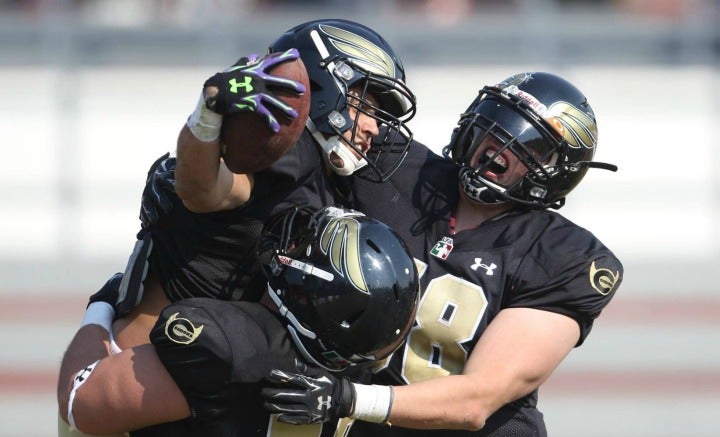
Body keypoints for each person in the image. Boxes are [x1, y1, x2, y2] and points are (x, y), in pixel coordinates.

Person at [57, 18, 417, 435]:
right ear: (323, 86)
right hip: (148, 372)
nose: (374, 126)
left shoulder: (326, 175)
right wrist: (208, 115)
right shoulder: (288, 154)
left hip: (211, 375)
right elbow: (205, 188)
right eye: (366, 104)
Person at [260, 71, 624, 436]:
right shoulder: (394, 167)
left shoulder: (562, 256)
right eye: (495, 126)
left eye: (528, 146)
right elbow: (322, 117)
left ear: (556, 172)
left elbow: (476, 400)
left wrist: (351, 399)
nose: (497, 148)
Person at [58, 205, 421, 436]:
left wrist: (102, 305)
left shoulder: (228, 344)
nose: (291, 245)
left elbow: (79, 403)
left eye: (303, 248)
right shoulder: (354, 375)